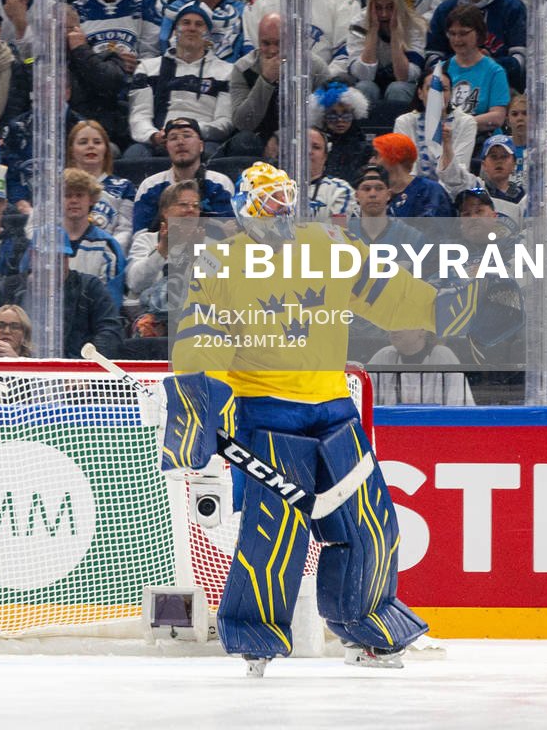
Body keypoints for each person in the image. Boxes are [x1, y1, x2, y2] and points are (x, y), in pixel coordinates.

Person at [157, 163, 431, 671]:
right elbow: (201, 339)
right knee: (275, 536)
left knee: (370, 525)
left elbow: (387, 291)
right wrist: (197, 406)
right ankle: (254, 635)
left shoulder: (328, 243)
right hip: (266, 413)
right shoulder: (219, 262)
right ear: (245, 210)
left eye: (286, 200)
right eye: (269, 203)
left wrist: (439, 304)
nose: (281, 211)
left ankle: (366, 624)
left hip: (333, 406)